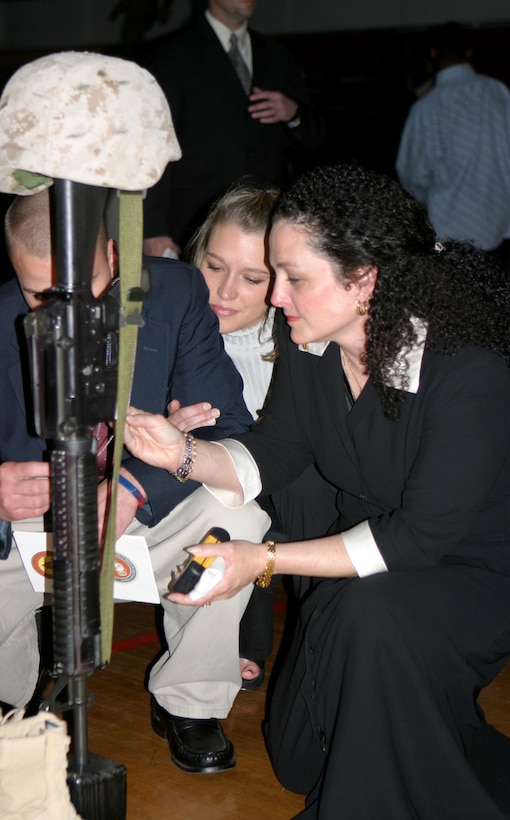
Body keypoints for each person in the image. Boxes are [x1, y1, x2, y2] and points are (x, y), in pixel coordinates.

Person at [124, 163, 510, 819]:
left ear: (363, 280)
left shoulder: (464, 368)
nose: (276, 297)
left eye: (294, 279)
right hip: (371, 563)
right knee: (298, 758)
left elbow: (418, 537)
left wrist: (264, 560)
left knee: (374, 618)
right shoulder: (312, 346)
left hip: (475, 570)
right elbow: (276, 450)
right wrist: (183, 454)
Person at [0, 187, 271, 774]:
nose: (62, 313)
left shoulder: (178, 294)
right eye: (39, 294)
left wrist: (142, 479)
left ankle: (189, 703)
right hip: (32, 532)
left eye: (78, 289)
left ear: (115, 254)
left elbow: (234, 431)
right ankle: (1, 699)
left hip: (148, 517)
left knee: (237, 518)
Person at [182, 176, 339, 690]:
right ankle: (235, 635)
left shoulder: (305, 334)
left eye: (252, 278)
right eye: (213, 267)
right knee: (222, 492)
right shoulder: (173, 328)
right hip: (212, 490)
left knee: (303, 480)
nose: (225, 292)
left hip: (294, 489)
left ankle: (327, 624)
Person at [140, 0, 325, 257]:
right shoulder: (172, 54)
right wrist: (152, 229)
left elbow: (314, 142)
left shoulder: (276, 56)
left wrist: (293, 113)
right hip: (194, 225)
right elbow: (153, 144)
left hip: (265, 222)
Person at [396, 21, 510, 263]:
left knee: (457, 298)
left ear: (433, 54)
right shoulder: (498, 92)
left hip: (449, 225)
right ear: (468, 52)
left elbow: (412, 175)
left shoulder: (426, 107)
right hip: (500, 220)